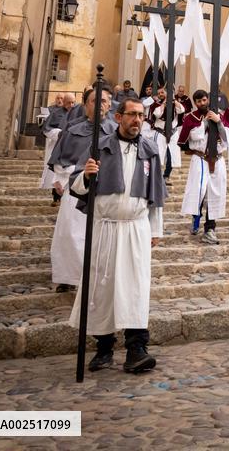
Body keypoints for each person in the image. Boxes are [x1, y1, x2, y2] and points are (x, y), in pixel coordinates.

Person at [69, 97, 166, 373]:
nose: (137, 120)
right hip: (106, 227)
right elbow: (76, 185)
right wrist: (87, 176)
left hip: (136, 228)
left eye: (141, 116)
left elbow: (155, 195)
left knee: (136, 287)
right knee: (103, 287)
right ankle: (104, 348)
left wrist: (155, 229)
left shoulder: (149, 150)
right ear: (119, 116)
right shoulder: (99, 147)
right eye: (132, 114)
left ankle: (137, 349)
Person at [48, 87, 116, 292]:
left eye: (104, 101)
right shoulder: (72, 129)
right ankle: (69, 276)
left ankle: (96, 279)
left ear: (110, 105)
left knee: (100, 235)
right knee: (70, 233)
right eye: (95, 100)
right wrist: (60, 178)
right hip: (75, 187)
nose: (100, 104)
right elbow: (60, 159)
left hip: (105, 190)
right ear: (86, 104)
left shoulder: (115, 131)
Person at [178, 91, 229, 244]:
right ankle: (196, 217)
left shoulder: (220, 115)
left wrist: (218, 122)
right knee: (199, 191)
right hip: (200, 158)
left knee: (215, 193)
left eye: (204, 100)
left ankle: (210, 229)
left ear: (208, 99)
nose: (202, 103)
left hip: (217, 159)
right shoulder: (191, 118)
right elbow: (193, 136)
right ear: (195, 103)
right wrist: (206, 123)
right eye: (198, 101)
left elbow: (228, 137)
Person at [40, 92, 74, 204]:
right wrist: (59, 133)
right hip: (57, 147)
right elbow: (47, 130)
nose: (71, 105)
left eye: (73, 102)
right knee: (56, 171)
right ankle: (56, 197)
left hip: (71, 148)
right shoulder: (55, 113)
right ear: (64, 102)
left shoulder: (77, 114)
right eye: (69, 102)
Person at [149, 87, 185, 185]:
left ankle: (166, 176)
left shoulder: (175, 103)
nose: (160, 94)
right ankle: (158, 177)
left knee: (171, 156)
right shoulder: (155, 104)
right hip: (160, 133)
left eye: (162, 92)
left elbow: (181, 110)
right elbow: (157, 114)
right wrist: (164, 104)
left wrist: (173, 101)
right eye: (159, 93)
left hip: (172, 133)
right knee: (158, 155)